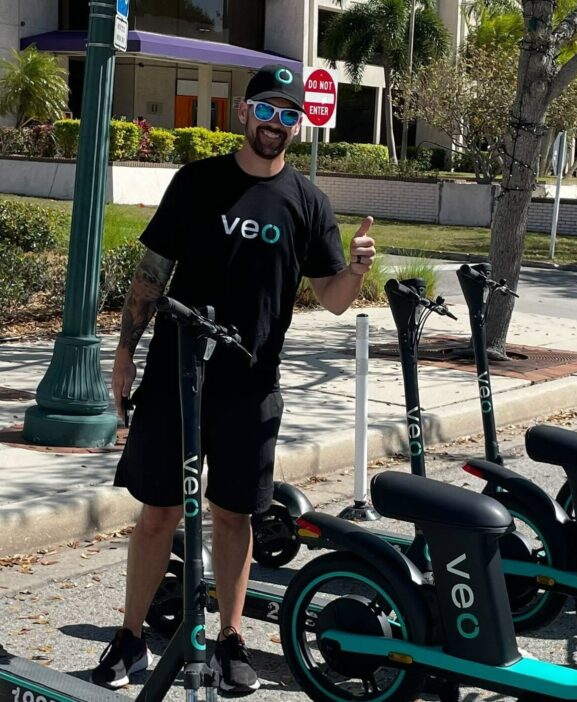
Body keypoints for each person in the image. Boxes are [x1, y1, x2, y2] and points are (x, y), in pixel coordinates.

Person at [90, 64, 376, 692]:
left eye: (288, 114)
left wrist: (355, 269)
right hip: (175, 375)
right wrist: (123, 354)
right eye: (266, 110)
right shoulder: (197, 183)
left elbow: (330, 297)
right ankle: (131, 638)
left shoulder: (308, 202)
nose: (276, 123)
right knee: (157, 514)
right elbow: (150, 274)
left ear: (297, 126)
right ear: (244, 115)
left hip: (250, 386)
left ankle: (231, 639)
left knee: (233, 516)